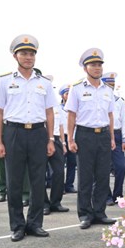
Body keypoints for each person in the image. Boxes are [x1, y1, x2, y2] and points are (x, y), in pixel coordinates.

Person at [0, 34, 56, 242]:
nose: (28, 57)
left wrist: (51, 139)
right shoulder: (4, 81)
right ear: (15, 56)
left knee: (38, 181)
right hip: (14, 133)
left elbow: (50, 113)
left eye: (31, 54)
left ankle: (35, 224)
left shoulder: (43, 83)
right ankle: (17, 225)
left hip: (38, 133)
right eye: (24, 53)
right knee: (15, 182)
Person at [65, 48, 117, 230]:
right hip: (84, 135)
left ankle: (100, 212)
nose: (97, 68)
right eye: (93, 65)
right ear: (85, 68)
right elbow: (71, 115)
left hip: (102, 134)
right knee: (86, 177)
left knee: (102, 176)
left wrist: (111, 137)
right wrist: (70, 139)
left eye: (99, 65)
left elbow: (110, 115)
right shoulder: (77, 88)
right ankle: (85, 214)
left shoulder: (107, 90)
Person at [101, 72, 125, 206]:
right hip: (103, 134)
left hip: (117, 135)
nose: (111, 87)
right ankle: (106, 196)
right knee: (104, 168)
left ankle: (118, 194)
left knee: (121, 167)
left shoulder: (120, 101)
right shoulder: (100, 99)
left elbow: (124, 121)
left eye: (113, 85)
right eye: (108, 85)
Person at [44, 82, 69, 216]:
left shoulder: (57, 107)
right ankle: (43, 204)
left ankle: (56, 202)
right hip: (41, 138)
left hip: (57, 139)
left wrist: (63, 143)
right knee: (40, 173)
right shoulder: (39, 104)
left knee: (59, 172)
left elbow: (60, 125)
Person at [58, 84, 77, 193]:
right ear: (62, 96)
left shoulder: (75, 108)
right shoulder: (58, 108)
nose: (69, 95)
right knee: (60, 163)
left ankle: (69, 185)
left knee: (72, 162)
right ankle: (60, 186)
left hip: (73, 136)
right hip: (61, 136)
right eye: (66, 93)